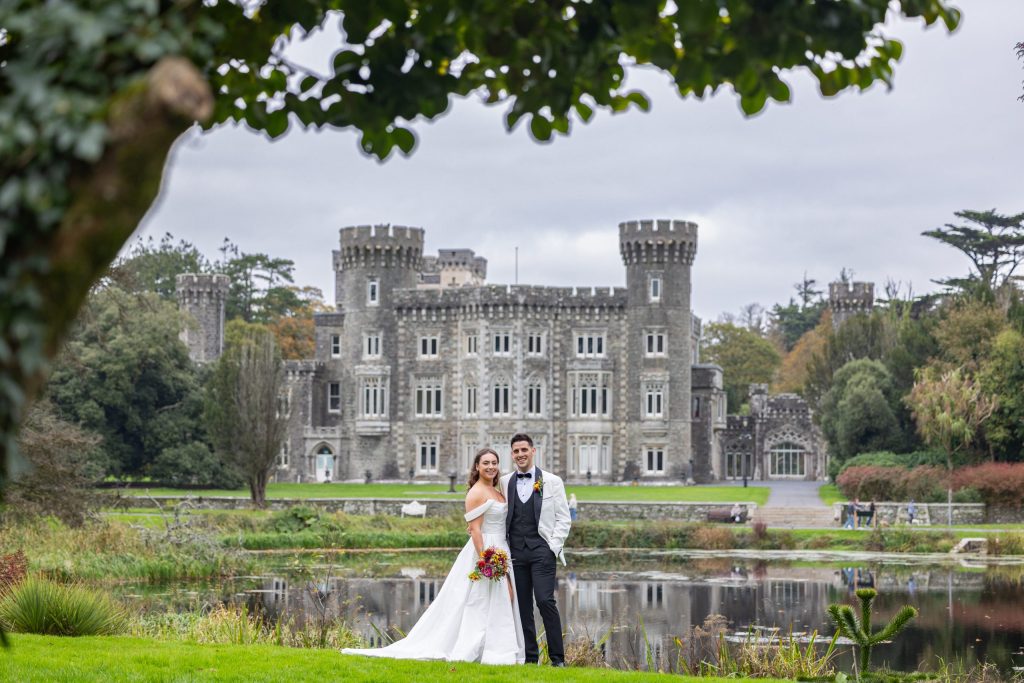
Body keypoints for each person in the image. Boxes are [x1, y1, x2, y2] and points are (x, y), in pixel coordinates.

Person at [342, 448, 525, 664]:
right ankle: (483, 650)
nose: (491, 466)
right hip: (486, 551)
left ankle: (495, 649)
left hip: (502, 548)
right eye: (486, 463)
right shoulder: (476, 492)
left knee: (500, 599)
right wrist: (487, 561)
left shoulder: (498, 489)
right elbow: (475, 530)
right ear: (477, 466)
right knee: (480, 601)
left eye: (494, 462)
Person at [500, 433, 572, 667]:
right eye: (516, 451)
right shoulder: (505, 481)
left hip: (542, 551)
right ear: (512, 454)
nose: (520, 454)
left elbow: (564, 518)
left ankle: (557, 659)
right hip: (516, 553)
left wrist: (553, 547)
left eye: (524, 450)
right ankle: (531, 658)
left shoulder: (552, 481)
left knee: (544, 601)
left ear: (533, 451)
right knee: (522, 607)